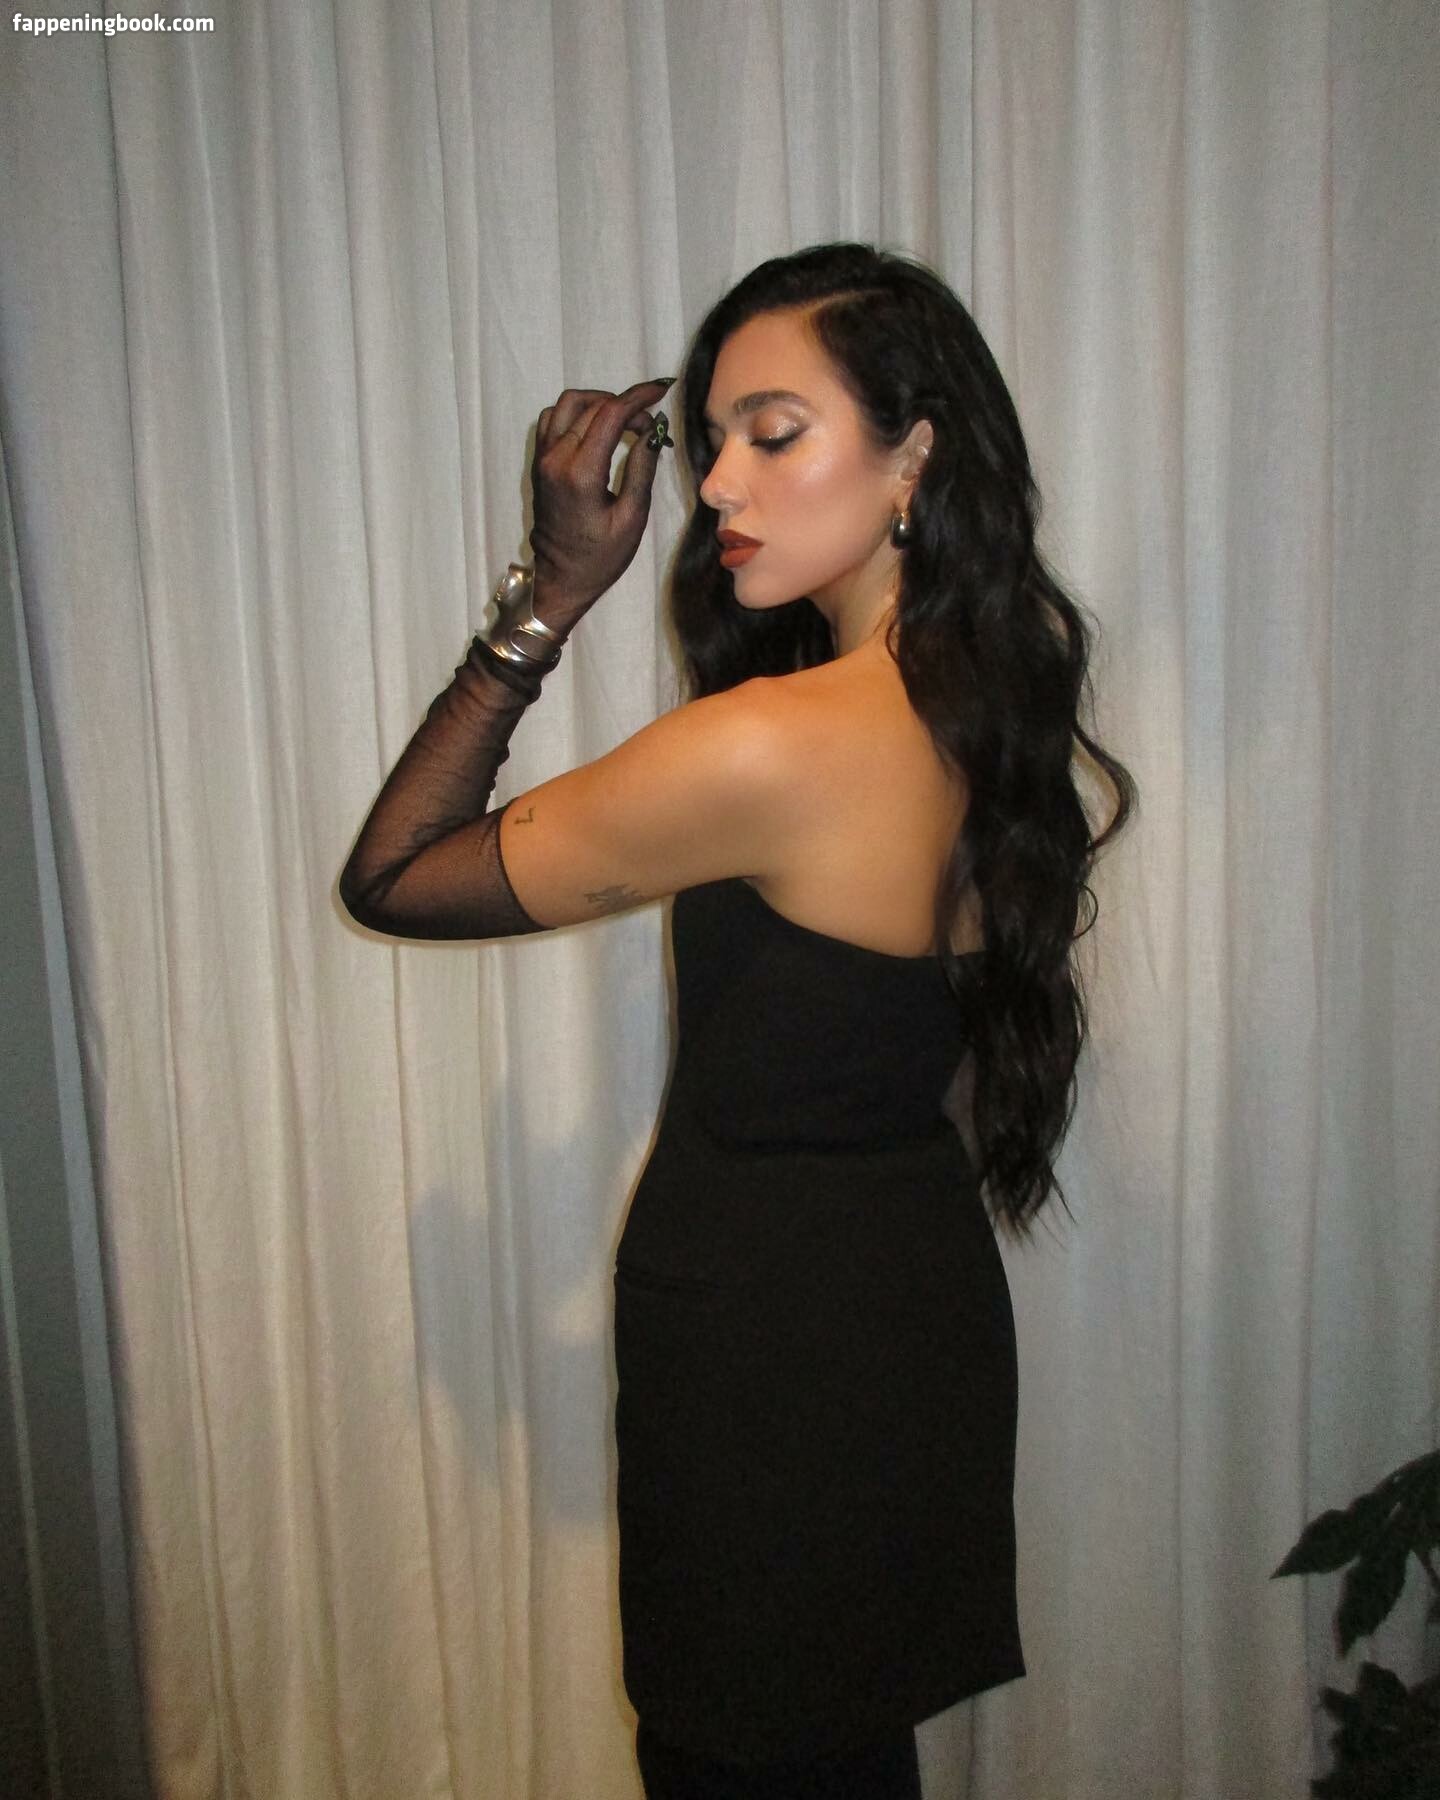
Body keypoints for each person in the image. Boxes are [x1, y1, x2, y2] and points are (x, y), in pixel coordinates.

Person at [339, 241, 1137, 1799]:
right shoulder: (992, 696)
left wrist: (549, 595)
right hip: (903, 1326)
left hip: (773, 1362)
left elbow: (395, 872)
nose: (716, 485)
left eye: (775, 434)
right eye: (712, 440)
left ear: (915, 457)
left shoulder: (776, 748)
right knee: (840, 1753)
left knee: (741, 1758)